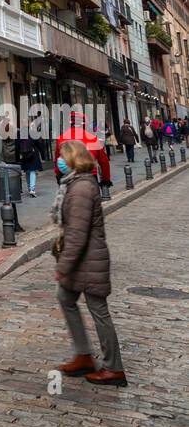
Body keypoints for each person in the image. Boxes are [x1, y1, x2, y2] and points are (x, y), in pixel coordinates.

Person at [52, 139, 127, 387]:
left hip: (88, 260)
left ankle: (114, 368)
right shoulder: (74, 184)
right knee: (65, 298)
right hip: (83, 260)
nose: (58, 161)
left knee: (99, 311)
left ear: (72, 160)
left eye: (62, 156)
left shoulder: (82, 188)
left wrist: (63, 266)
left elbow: (77, 234)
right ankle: (83, 355)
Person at [54, 110, 111, 187]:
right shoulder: (93, 138)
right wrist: (106, 179)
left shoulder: (61, 139)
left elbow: (57, 160)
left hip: (68, 176)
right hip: (90, 176)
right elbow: (104, 161)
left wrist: (58, 175)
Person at [18, 129, 42, 197]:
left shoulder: (19, 133)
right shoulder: (32, 132)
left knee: (27, 171)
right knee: (32, 171)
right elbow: (38, 143)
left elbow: (17, 145)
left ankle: (29, 189)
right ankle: (32, 189)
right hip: (32, 154)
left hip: (24, 154)